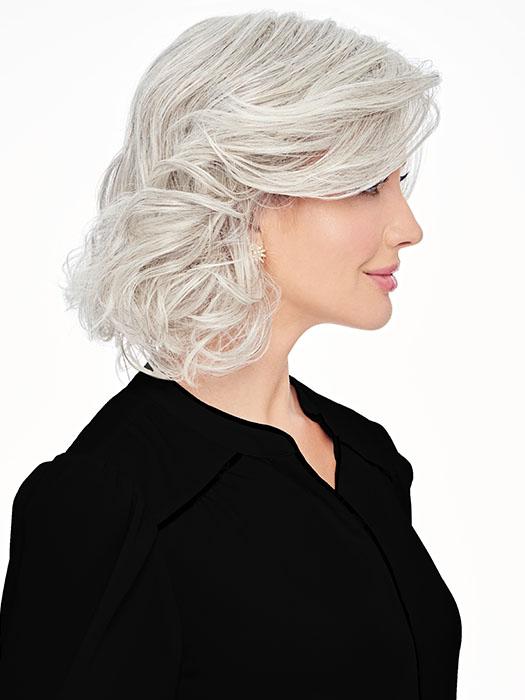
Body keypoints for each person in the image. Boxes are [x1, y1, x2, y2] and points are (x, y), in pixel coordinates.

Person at [0, 10, 462, 699]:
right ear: (240, 198)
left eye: (399, 182)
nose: (409, 226)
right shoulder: (108, 503)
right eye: (367, 184)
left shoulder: (367, 458)